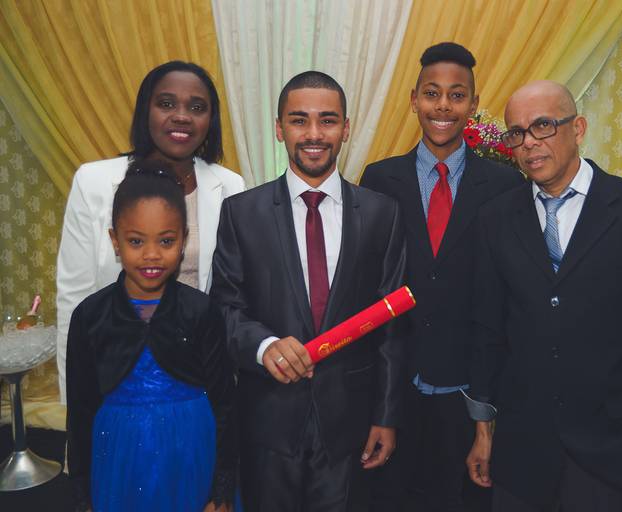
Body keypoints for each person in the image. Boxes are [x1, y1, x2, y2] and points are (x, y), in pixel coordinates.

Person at [360, 43, 622, 512]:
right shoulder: (379, 179)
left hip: (475, 386)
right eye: (432, 93)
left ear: (474, 105)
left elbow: (537, 287)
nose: (443, 106)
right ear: (413, 100)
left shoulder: (506, 184)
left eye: (457, 95)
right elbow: (371, 285)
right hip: (398, 383)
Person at [465, 80, 622, 512]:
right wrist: (482, 427)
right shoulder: (495, 219)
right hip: (522, 445)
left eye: (543, 126)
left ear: (579, 128)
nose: (529, 143)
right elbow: (487, 328)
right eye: (517, 133)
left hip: (611, 440)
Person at [209, 71, 406, 512]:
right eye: (299, 120)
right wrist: (263, 346)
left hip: (351, 428)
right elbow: (223, 307)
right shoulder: (242, 213)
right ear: (279, 128)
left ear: (346, 128)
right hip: (267, 424)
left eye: (327, 120)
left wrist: (386, 416)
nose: (314, 134)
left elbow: (392, 326)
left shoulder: (382, 214)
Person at [56, 60, 245, 400]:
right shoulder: (94, 181)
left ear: (211, 120)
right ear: (146, 110)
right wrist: (75, 402)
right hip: (117, 375)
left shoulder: (231, 187)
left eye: (197, 107)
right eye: (167, 103)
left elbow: (233, 295)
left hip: (200, 373)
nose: (182, 116)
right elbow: (74, 299)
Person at [66, 161, 237, 512]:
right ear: (115, 240)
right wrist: (83, 496)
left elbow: (224, 403)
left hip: (192, 456)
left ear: (183, 240)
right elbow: (80, 411)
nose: (152, 255)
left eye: (166, 241)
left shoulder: (202, 311)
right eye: (135, 241)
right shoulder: (89, 316)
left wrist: (220, 490)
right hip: (119, 460)